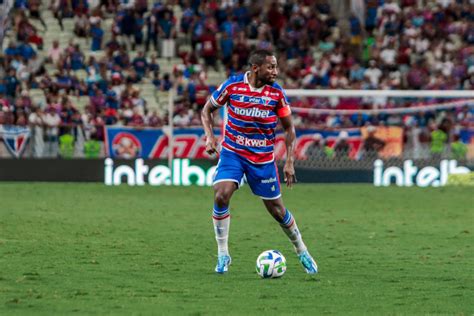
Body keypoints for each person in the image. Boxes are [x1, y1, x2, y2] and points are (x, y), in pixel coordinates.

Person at [200, 49, 318, 275]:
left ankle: (301, 249)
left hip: (262, 158)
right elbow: (207, 110)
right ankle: (223, 254)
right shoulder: (232, 86)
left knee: (277, 210)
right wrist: (210, 136)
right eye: (270, 67)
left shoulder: (276, 93)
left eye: (275, 67)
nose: (275, 71)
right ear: (256, 68)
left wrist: (290, 160)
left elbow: (289, 128)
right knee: (221, 194)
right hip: (233, 152)